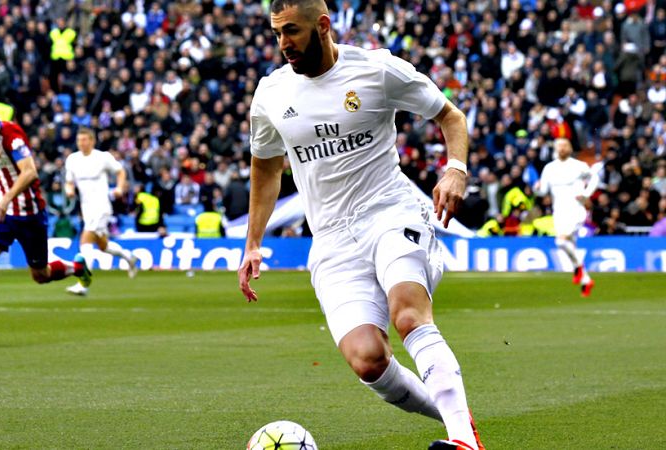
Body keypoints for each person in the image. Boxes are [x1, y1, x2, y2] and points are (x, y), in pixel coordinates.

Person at [237, 1, 484, 449]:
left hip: (390, 212)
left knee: (408, 313)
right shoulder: (271, 94)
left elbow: (451, 116)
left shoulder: (377, 70)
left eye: (291, 30)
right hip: (331, 239)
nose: (282, 43)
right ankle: (459, 423)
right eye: (277, 33)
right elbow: (266, 167)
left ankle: (463, 441)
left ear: (323, 25)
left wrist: (456, 169)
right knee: (368, 360)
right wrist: (253, 242)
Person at [0, 109, 92, 343]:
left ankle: (77, 268)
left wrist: (6, 197)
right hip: (3, 213)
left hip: (29, 214)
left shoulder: (12, 136)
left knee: (40, 275)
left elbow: (30, 172)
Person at [64, 128, 139, 296]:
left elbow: (121, 171)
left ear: (92, 141)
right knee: (103, 245)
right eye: (79, 140)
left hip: (102, 206)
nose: (82, 143)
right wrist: (69, 190)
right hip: (86, 208)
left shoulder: (102, 157)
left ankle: (83, 284)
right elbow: (69, 181)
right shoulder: (72, 159)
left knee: (85, 240)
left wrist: (120, 187)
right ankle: (129, 257)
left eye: (85, 140)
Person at [534, 138, 599, 297]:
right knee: (569, 244)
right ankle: (585, 280)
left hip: (575, 210)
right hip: (559, 212)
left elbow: (595, 178)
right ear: (555, 149)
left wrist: (585, 194)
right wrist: (536, 189)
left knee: (561, 241)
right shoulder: (549, 168)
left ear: (570, 148)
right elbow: (543, 191)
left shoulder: (578, 166)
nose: (562, 149)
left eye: (565, 146)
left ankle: (578, 268)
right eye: (559, 146)